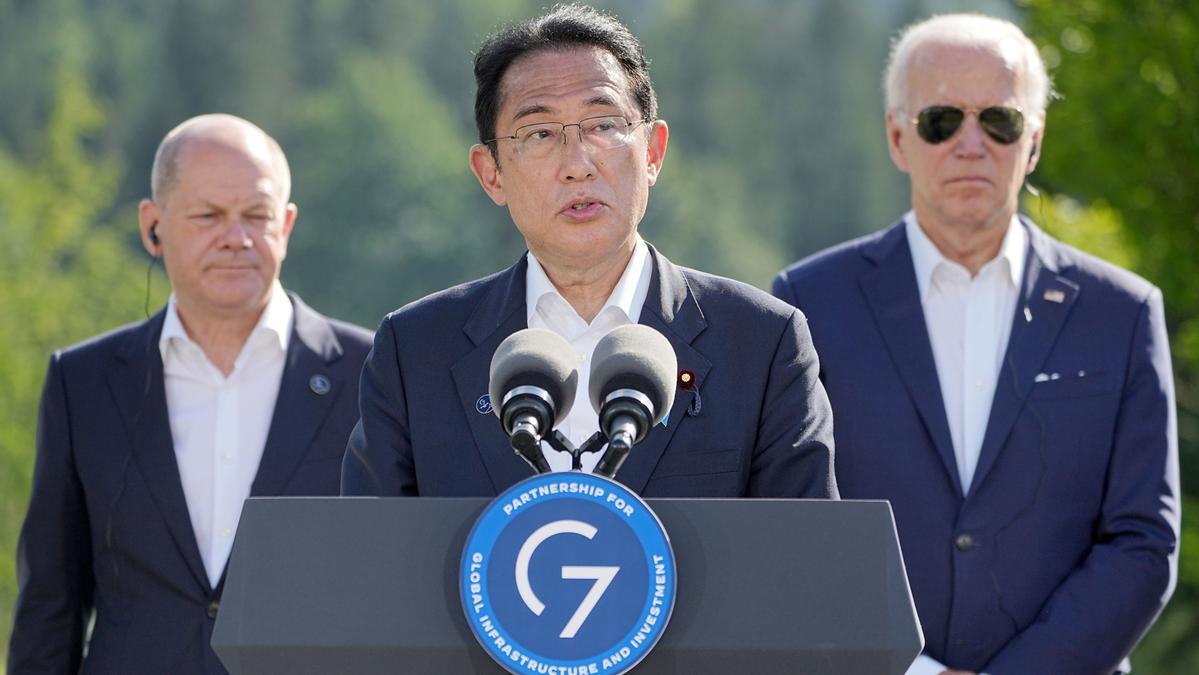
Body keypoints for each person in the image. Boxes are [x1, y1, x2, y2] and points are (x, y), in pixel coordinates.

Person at [773, 14, 1179, 675]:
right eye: (942, 120)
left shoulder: (1123, 313)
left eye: (1000, 121)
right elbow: (796, 523)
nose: (971, 143)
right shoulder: (809, 303)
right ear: (898, 137)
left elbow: (1141, 541)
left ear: (1035, 141)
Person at [343, 5, 836, 500]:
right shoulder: (415, 353)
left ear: (653, 153)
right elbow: (366, 560)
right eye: (539, 133)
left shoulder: (762, 344)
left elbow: (806, 561)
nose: (577, 165)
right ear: (491, 173)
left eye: (602, 125)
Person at [8, 114, 374, 674]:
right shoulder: (83, 381)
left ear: (288, 224)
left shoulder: (371, 374)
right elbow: (49, 608)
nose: (237, 237)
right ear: (152, 226)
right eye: (209, 216)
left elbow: (398, 593)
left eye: (257, 215)